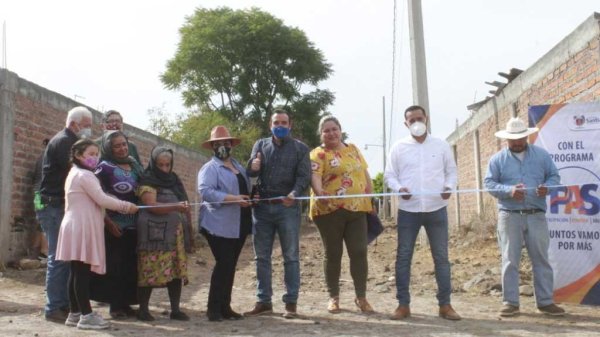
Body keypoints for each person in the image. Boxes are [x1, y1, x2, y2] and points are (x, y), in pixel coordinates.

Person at [384, 105, 461, 321]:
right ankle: (403, 305)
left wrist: (448, 188)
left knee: (441, 258)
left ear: (426, 118)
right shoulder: (399, 148)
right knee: (404, 257)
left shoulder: (441, 145)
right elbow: (390, 176)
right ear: (406, 123)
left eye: (419, 118)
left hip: (437, 208)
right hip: (409, 210)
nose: (416, 122)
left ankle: (445, 305)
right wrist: (399, 189)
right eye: (411, 119)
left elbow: (451, 172)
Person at [484, 117, 566, 317]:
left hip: (536, 215)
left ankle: (545, 302)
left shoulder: (542, 156)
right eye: (513, 140)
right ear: (507, 140)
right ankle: (510, 302)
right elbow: (489, 184)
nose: (518, 143)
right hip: (509, 216)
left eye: (521, 138)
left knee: (541, 258)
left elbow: (554, 177)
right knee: (510, 260)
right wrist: (509, 190)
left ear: (527, 136)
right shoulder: (497, 160)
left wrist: (547, 188)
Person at [56, 139, 138, 330]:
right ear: (78, 155)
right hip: (81, 227)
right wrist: (126, 206)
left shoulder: (75, 173)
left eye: (96, 154)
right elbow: (101, 199)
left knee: (76, 271)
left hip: (75, 225)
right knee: (82, 273)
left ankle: (74, 313)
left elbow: (99, 197)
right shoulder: (85, 175)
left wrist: (117, 202)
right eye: (90, 154)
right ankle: (86, 316)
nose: (95, 158)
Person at [244, 110, 311, 319]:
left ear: (290, 125)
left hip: (288, 208)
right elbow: (251, 172)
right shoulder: (260, 145)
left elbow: (304, 176)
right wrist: (252, 166)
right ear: (270, 124)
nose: (279, 125)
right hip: (262, 208)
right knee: (261, 257)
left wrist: (294, 193)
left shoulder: (300, 148)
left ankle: (291, 303)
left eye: (283, 122)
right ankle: (263, 301)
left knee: (290, 257)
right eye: (276, 122)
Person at [309, 116, 375, 314]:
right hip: (329, 211)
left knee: (359, 251)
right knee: (333, 253)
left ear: (340, 130)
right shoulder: (317, 154)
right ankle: (333, 297)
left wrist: (370, 199)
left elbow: (364, 174)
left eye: (334, 129)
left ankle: (361, 297)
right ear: (321, 134)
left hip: (357, 209)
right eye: (326, 130)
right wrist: (320, 193)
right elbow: (315, 177)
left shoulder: (353, 149)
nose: (331, 133)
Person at [39, 106, 93, 322]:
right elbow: (76, 172)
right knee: (58, 258)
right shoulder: (65, 142)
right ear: (74, 124)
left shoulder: (68, 141)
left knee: (65, 257)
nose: (89, 130)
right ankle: (54, 308)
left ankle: (66, 305)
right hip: (53, 206)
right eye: (87, 126)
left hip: (58, 206)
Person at [198, 126, 253, 322]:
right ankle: (213, 308)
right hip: (217, 224)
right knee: (224, 264)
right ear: (212, 146)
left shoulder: (238, 166)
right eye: (218, 144)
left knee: (230, 266)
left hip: (239, 222)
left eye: (226, 143)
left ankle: (225, 306)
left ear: (231, 145)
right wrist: (233, 199)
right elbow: (206, 192)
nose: (223, 146)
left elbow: (246, 188)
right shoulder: (210, 168)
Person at [89, 130, 143, 318]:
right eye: (116, 146)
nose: (122, 149)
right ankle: (115, 305)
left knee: (130, 265)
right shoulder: (103, 168)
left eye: (124, 144)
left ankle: (127, 303)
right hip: (113, 225)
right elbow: (96, 198)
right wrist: (108, 222)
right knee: (115, 265)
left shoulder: (134, 165)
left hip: (135, 224)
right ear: (108, 148)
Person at [136, 146, 193, 322]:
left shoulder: (174, 179)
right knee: (149, 271)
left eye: (168, 165)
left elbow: (185, 203)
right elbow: (151, 205)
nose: (165, 169)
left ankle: (175, 309)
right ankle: (143, 310)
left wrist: (189, 230)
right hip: (154, 234)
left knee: (176, 270)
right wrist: (175, 207)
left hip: (175, 233)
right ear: (154, 163)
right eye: (161, 165)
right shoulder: (147, 180)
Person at [32, 138, 50, 259]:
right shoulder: (48, 158)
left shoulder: (40, 157)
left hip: (37, 193)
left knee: (40, 221)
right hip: (44, 193)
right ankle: (44, 251)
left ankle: (35, 251)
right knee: (46, 221)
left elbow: (33, 178)